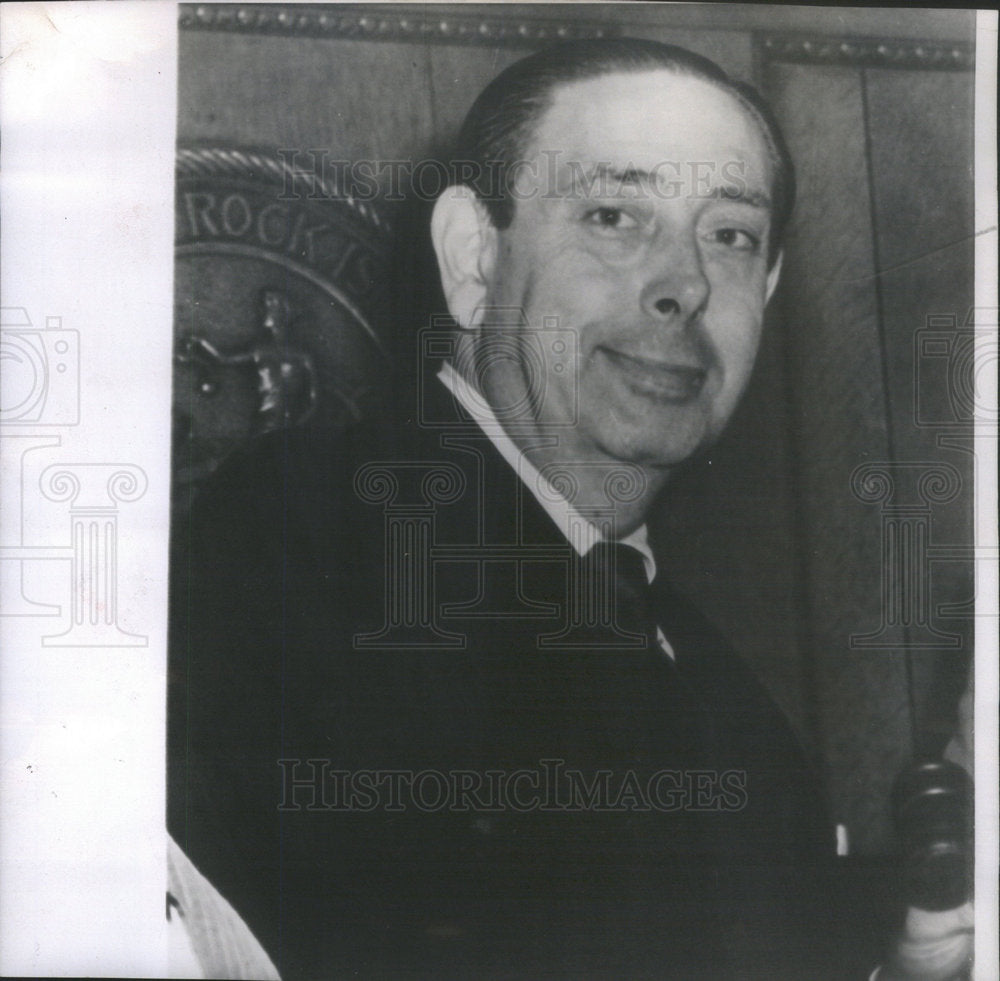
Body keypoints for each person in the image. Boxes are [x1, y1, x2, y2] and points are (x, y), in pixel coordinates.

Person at [168, 39, 882, 979]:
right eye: (614, 215)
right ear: (474, 258)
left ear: (770, 289)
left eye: (732, 236)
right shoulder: (310, 543)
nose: (688, 284)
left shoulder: (723, 694)